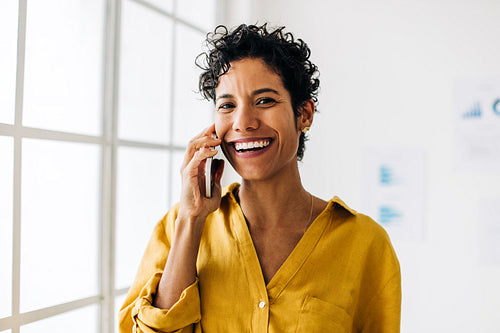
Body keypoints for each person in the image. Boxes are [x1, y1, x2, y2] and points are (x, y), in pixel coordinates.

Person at [118, 23, 401, 333]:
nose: (243, 122)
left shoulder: (365, 244)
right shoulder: (178, 226)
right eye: (227, 105)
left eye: (265, 101)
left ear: (304, 114)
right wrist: (192, 219)